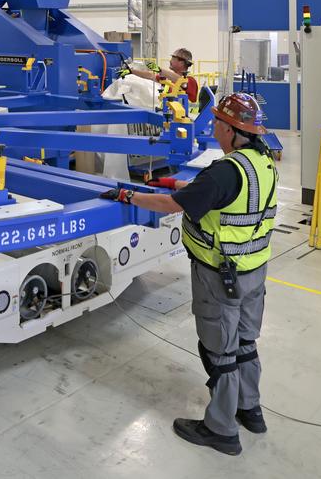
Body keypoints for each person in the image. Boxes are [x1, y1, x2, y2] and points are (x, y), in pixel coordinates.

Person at [102, 92, 277, 456]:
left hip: (220, 276)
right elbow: (219, 195)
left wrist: (130, 196)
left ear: (231, 131)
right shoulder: (262, 163)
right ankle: (250, 410)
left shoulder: (225, 170)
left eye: (217, 123)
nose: (213, 128)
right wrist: (174, 183)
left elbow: (174, 206)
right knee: (245, 343)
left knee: (220, 351)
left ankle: (221, 429)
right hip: (253, 273)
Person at [129, 47, 198, 102]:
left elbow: (180, 80)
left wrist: (159, 70)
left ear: (182, 63)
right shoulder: (169, 79)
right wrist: (131, 71)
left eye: (173, 58)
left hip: (188, 118)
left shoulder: (191, 81)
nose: (170, 61)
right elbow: (150, 75)